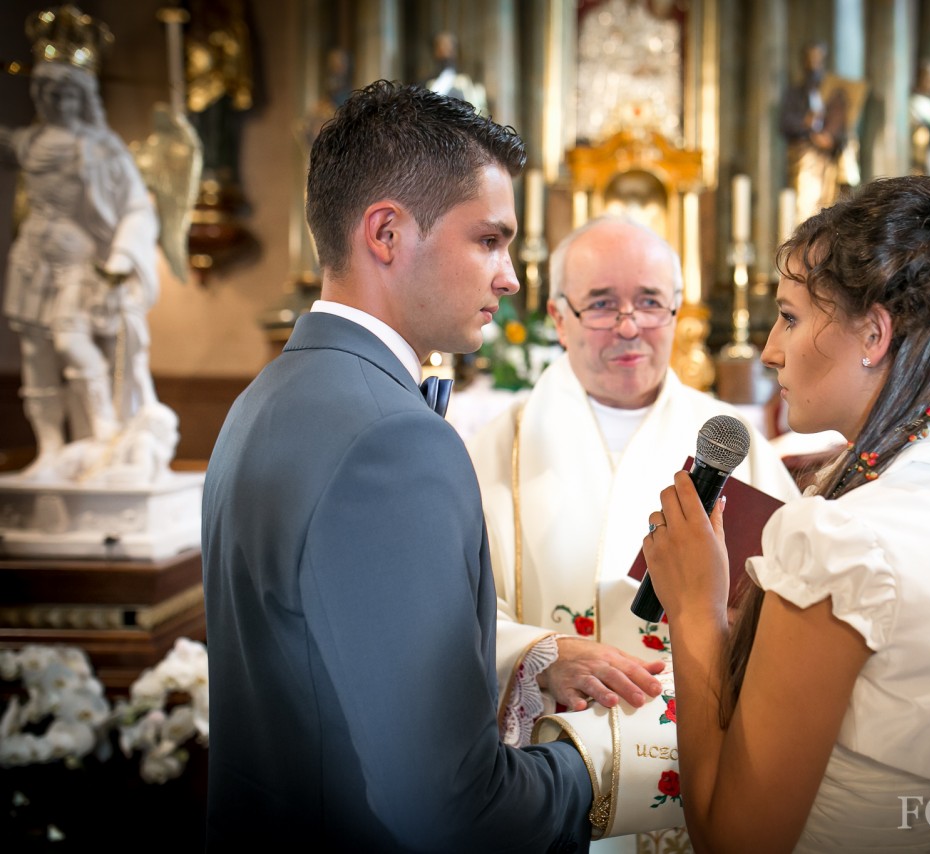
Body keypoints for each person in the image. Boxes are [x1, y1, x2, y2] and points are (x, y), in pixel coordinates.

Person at [201, 81, 592, 851]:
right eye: (489, 239)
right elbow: (447, 810)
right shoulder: (393, 439)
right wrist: (608, 764)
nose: (511, 276)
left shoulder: (266, 398)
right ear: (385, 233)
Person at [639, 175, 930, 852]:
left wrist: (695, 609)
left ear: (872, 333)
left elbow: (735, 842)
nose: (771, 350)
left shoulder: (846, 540)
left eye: (791, 316)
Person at [466, 216, 800, 852]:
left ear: (678, 313)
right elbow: (449, 609)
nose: (629, 326)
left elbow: (789, 604)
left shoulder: (734, 441)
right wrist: (540, 655)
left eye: (649, 302)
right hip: (549, 766)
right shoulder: (495, 449)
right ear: (558, 317)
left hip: (693, 762)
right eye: (601, 305)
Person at [1, 43, 165, 481]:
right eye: (48, 93)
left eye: (67, 94)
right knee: (36, 352)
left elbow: (136, 206)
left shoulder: (101, 148)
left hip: (80, 263)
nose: (57, 102)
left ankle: (104, 428)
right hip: (31, 258)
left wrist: (121, 258)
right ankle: (50, 449)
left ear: (84, 98)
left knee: (68, 341)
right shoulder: (30, 141)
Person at [780, 41, 860, 221]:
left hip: (828, 159)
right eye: (811, 59)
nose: (814, 64)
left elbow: (844, 126)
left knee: (828, 208)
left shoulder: (832, 94)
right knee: (805, 208)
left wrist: (832, 139)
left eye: (818, 59)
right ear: (803, 62)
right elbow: (785, 123)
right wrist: (806, 124)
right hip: (805, 158)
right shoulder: (795, 93)